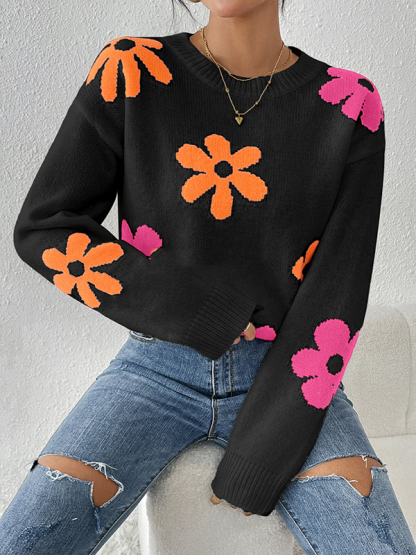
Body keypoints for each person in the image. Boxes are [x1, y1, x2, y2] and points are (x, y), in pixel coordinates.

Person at [2, 0, 416, 553]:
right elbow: (45, 226)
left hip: (288, 374)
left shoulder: (349, 103)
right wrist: (197, 311)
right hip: (154, 369)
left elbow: (338, 292)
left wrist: (263, 455)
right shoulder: (131, 69)